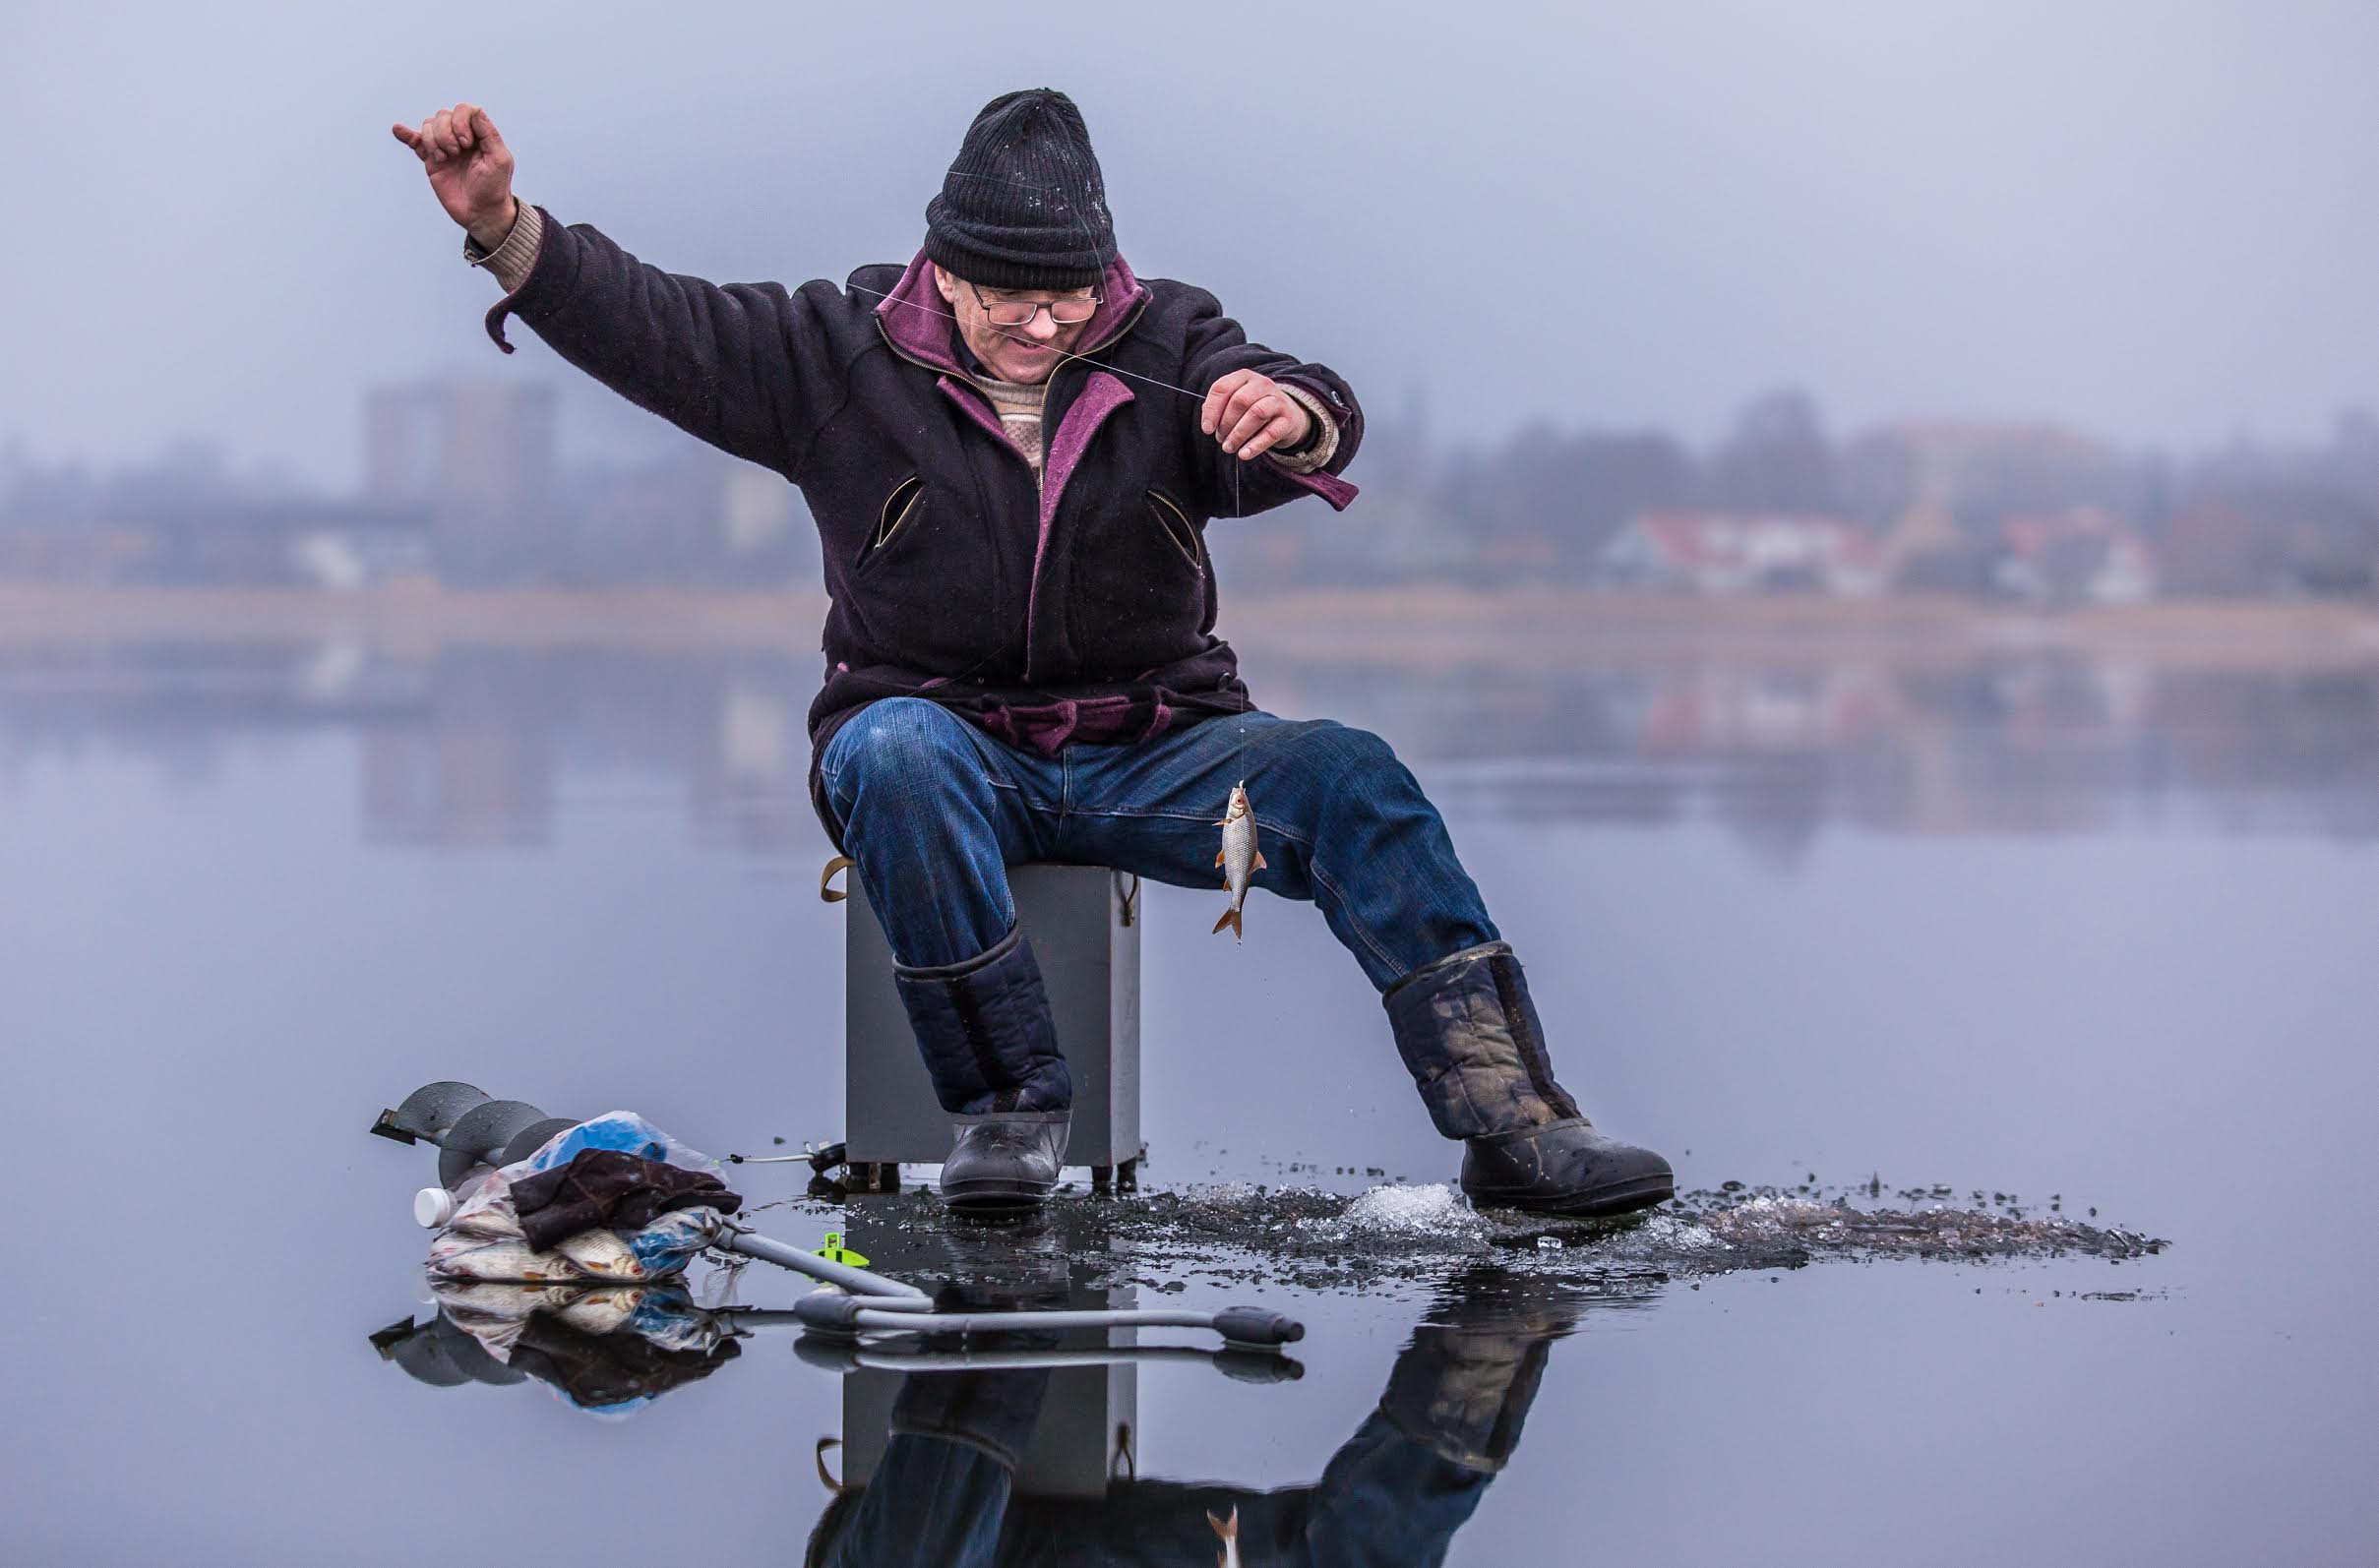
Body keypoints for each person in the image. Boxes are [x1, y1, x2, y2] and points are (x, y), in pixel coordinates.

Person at [391, 89, 1672, 1217]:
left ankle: (1517, 1128)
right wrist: (507, 228)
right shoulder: (830, 355)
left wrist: (1294, 414)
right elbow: (654, 323)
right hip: (941, 744)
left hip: (1155, 742)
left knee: (1354, 774)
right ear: (944, 269)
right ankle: (1007, 1112)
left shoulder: (1168, 336)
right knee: (889, 754)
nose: (1046, 326)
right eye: (1014, 296)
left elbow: (1301, 403)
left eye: (1070, 297)